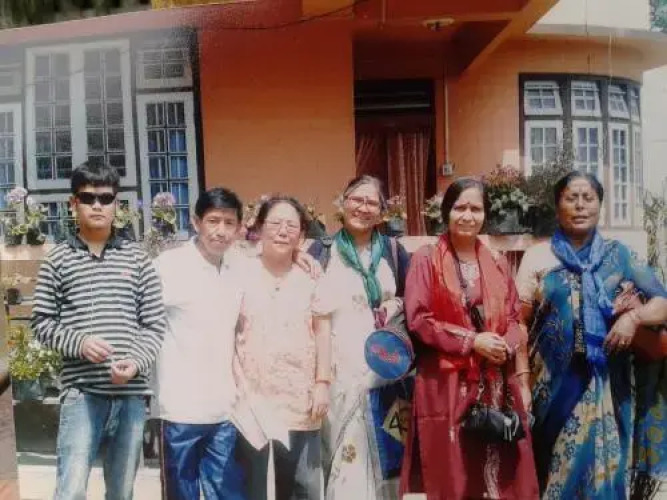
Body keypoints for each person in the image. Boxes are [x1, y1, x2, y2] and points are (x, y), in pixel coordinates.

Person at [515, 172, 667, 499]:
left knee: (606, 474)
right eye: (571, 198)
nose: (580, 205)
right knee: (554, 477)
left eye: (589, 198)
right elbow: (518, 323)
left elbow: (662, 302)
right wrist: (522, 380)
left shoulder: (620, 255)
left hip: (610, 385)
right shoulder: (538, 256)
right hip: (552, 389)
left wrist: (634, 318)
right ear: (558, 206)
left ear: (600, 205)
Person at [31, 162, 166, 500]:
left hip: (130, 396)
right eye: (87, 197)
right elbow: (42, 322)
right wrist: (79, 342)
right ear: (73, 203)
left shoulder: (137, 258)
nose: (97, 205)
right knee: (71, 490)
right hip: (82, 395)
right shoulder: (57, 260)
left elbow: (153, 323)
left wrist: (136, 362)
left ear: (116, 204)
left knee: (121, 491)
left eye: (105, 198)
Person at [401, 177, 538, 500]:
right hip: (446, 383)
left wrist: (505, 344)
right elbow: (419, 319)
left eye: (475, 209)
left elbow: (515, 317)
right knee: (455, 474)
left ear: (485, 214)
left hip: (496, 382)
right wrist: (473, 341)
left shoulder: (498, 262)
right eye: (459, 208)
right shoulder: (426, 259)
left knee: (503, 474)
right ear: (446, 212)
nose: (467, 216)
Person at [308, 175, 410, 500]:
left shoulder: (393, 251)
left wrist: (396, 304)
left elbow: (414, 300)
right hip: (338, 372)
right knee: (340, 452)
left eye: (372, 203)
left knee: (384, 452)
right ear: (343, 202)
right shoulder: (322, 251)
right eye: (357, 199)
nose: (363, 208)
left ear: (382, 212)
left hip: (384, 371)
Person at [234, 196, 332, 500]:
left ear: (301, 233)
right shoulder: (239, 271)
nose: (282, 231)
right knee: (254, 486)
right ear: (259, 228)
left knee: (303, 485)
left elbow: (323, 331)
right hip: (252, 397)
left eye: (291, 225)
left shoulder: (311, 275)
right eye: (275, 223)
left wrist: (322, 383)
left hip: (300, 397)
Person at [154, 188, 246, 499]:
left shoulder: (238, 268)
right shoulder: (170, 265)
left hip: (225, 410)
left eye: (229, 223)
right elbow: (142, 319)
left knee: (228, 493)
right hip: (180, 409)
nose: (221, 231)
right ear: (196, 222)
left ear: (239, 228)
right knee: (181, 493)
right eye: (213, 221)